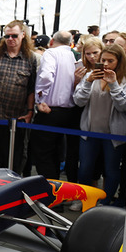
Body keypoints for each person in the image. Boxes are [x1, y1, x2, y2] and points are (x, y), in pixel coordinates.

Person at [73, 44, 126, 205]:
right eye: (103, 60)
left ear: (119, 61)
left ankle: (104, 202)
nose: (106, 64)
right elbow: (78, 101)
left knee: (111, 170)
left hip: (115, 134)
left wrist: (114, 84)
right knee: (85, 168)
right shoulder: (90, 76)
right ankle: (84, 200)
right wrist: (87, 82)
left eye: (111, 61)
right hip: (90, 131)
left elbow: (124, 106)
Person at [0, 20, 38, 173]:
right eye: (7, 36)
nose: (10, 39)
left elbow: (31, 89)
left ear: (23, 35)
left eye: (14, 36)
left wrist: (30, 112)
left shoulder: (31, 59)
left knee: (14, 160)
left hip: (17, 119)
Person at [31, 30, 80, 182]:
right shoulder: (72, 55)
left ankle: (50, 190)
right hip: (69, 111)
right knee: (59, 152)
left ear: (52, 41)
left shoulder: (51, 53)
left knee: (44, 153)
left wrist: (40, 98)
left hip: (50, 110)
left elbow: (46, 75)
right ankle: (58, 187)